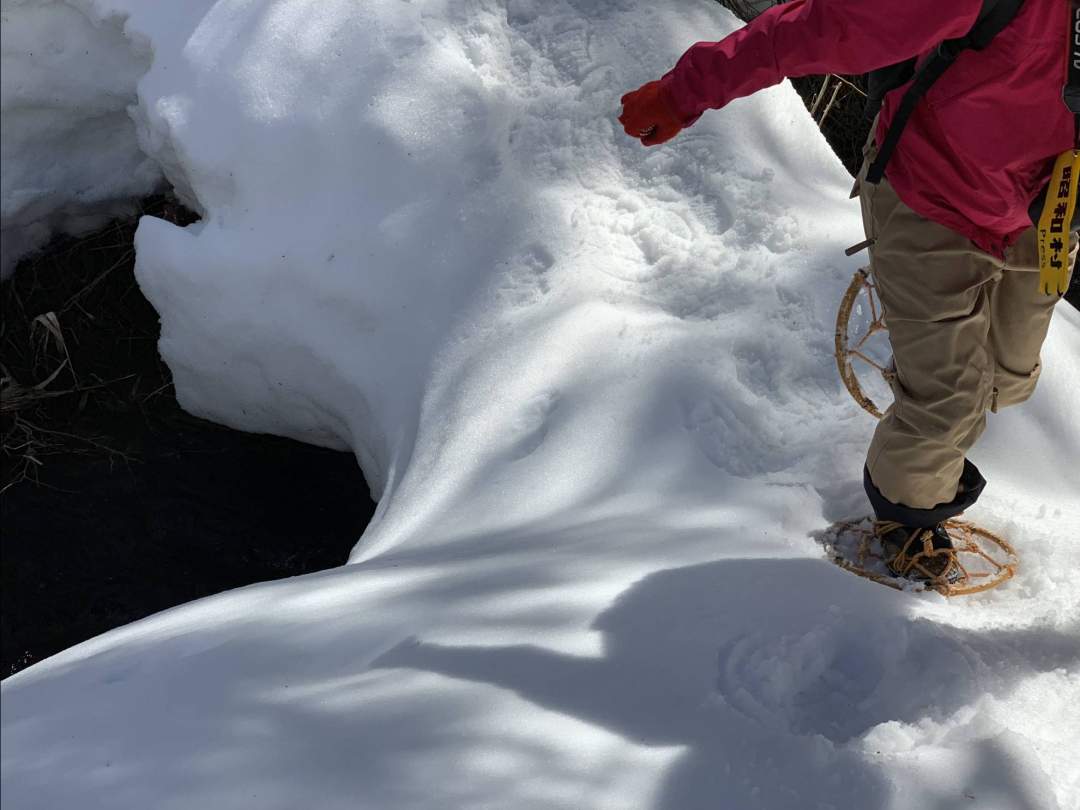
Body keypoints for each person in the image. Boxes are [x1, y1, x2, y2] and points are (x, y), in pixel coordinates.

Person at [618, 0, 1076, 583]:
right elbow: (826, 25)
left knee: (1007, 379)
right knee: (948, 402)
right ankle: (905, 528)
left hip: (1047, 214)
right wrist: (685, 90)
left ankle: (932, 401)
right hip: (932, 192)